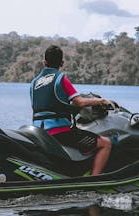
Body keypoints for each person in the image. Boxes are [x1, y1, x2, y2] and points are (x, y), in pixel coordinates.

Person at [30, 45, 113, 175]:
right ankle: (94, 180)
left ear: (44, 62)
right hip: (59, 132)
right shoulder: (60, 79)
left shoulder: (34, 82)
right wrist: (101, 101)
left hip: (39, 131)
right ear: (62, 63)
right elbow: (79, 102)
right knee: (106, 143)